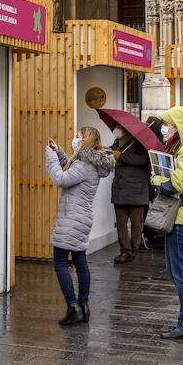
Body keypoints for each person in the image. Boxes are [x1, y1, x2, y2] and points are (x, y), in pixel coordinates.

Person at [45, 128, 115, 325]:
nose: (75, 139)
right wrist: (59, 152)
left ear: (86, 140)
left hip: (71, 219)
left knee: (60, 262)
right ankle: (83, 307)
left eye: (78, 136)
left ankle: (72, 306)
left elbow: (61, 179)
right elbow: (71, 169)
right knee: (80, 261)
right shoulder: (89, 162)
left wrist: (50, 158)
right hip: (82, 217)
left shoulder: (84, 164)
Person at [150, 106, 183, 340]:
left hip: (182, 217)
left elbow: (178, 183)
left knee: (180, 272)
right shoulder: (182, 147)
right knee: (177, 271)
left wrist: (156, 179)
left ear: (178, 126)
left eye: (168, 124)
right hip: (179, 216)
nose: (165, 129)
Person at [109, 124, 153, 264]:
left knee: (137, 223)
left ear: (125, 129)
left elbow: (143, 160)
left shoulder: (139, 142)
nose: (116, 130)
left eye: (118, 127)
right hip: (120, 188)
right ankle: (125, 251)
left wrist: (121, 157)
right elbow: (113, 155)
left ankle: (134, 249)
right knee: (121, 223)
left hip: (136, 190)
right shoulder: (117, 143)